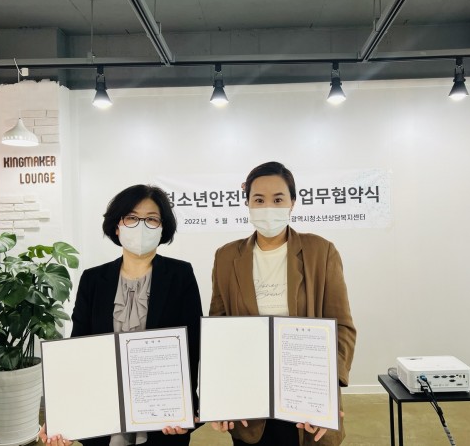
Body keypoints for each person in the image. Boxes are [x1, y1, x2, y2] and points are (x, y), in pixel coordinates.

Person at [40, 184, 203, 446]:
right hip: (102, 411)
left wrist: (187, 409)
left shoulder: (180, 274)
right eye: (131, 218)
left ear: (162, 228)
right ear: (117, 226)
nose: (141, 226)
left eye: (152, 219)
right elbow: (78, 350)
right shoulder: (93, 279)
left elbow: (193, 347)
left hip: (163, 417)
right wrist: (62, 414)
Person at [209, 162, 356, 446]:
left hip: (307, 398)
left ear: (292, 203)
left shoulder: (320, 251)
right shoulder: (226, 257)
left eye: (278, 199)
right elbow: (219, 330)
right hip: (248, 400)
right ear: (247, 204)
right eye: (258, 200)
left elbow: (343, 328)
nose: (268, 207)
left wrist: (326, 393)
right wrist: (220, 396)